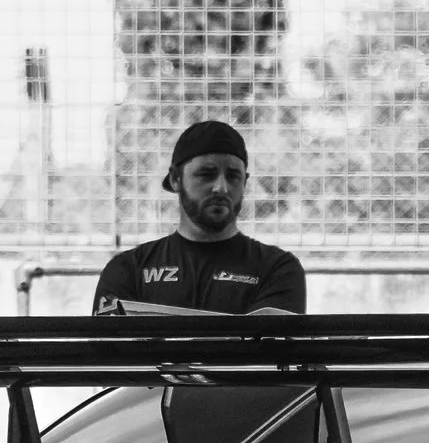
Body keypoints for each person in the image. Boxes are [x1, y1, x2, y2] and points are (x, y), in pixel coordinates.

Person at [93, 120, 306, 315]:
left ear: (245, 182)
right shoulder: (129, 269)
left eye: (233, 176)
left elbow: (267, 353)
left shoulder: (276, 268)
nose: (221, 187)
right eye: (207, 174)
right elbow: (111, 353)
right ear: (176, 179)